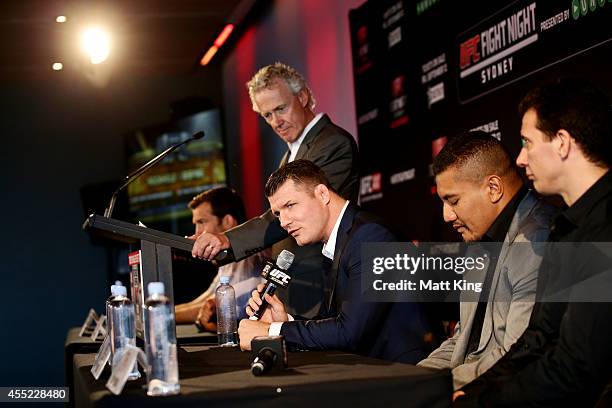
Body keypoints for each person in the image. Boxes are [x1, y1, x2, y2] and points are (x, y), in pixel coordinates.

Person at [454, 79, 612, 406]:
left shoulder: (605, 229)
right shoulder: (565, 228)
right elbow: (536, 341)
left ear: (562, 143)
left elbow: (576, 369)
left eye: (527, 142)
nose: (521, 159)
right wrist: (472, 393)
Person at [191, 62, 359, 317]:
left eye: (281, 108)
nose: (276, 122)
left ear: (302, 97)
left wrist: (226, 239)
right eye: (267, 115)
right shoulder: (290, 155)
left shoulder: (332, 143)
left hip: (319, 285)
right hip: (295, 289)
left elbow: (289, 218)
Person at [237, 160, 433, 363]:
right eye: (278, 214)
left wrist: (272, 330)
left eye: (290, 205)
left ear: (322, 194)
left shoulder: (370, 236)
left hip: (405, 374)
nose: (284, 221)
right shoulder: (340, 240)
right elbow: (334, 322)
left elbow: (349, 332)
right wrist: (285, 321)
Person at [417, 131, 555, 389]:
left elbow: (517, 355)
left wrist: (437, 387)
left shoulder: (537, 242)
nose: (446, 216)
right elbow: (463, 341)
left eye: (453, 200)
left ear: (493, 188)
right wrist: (412, 379)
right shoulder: (479, 239)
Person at [175, 187, 268, 330]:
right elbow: (206, 299)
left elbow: (215, 305)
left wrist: (160, 315)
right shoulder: (226, 260)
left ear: (227, 221)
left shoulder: (258, 256)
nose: (197, 232)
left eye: (202, 222)